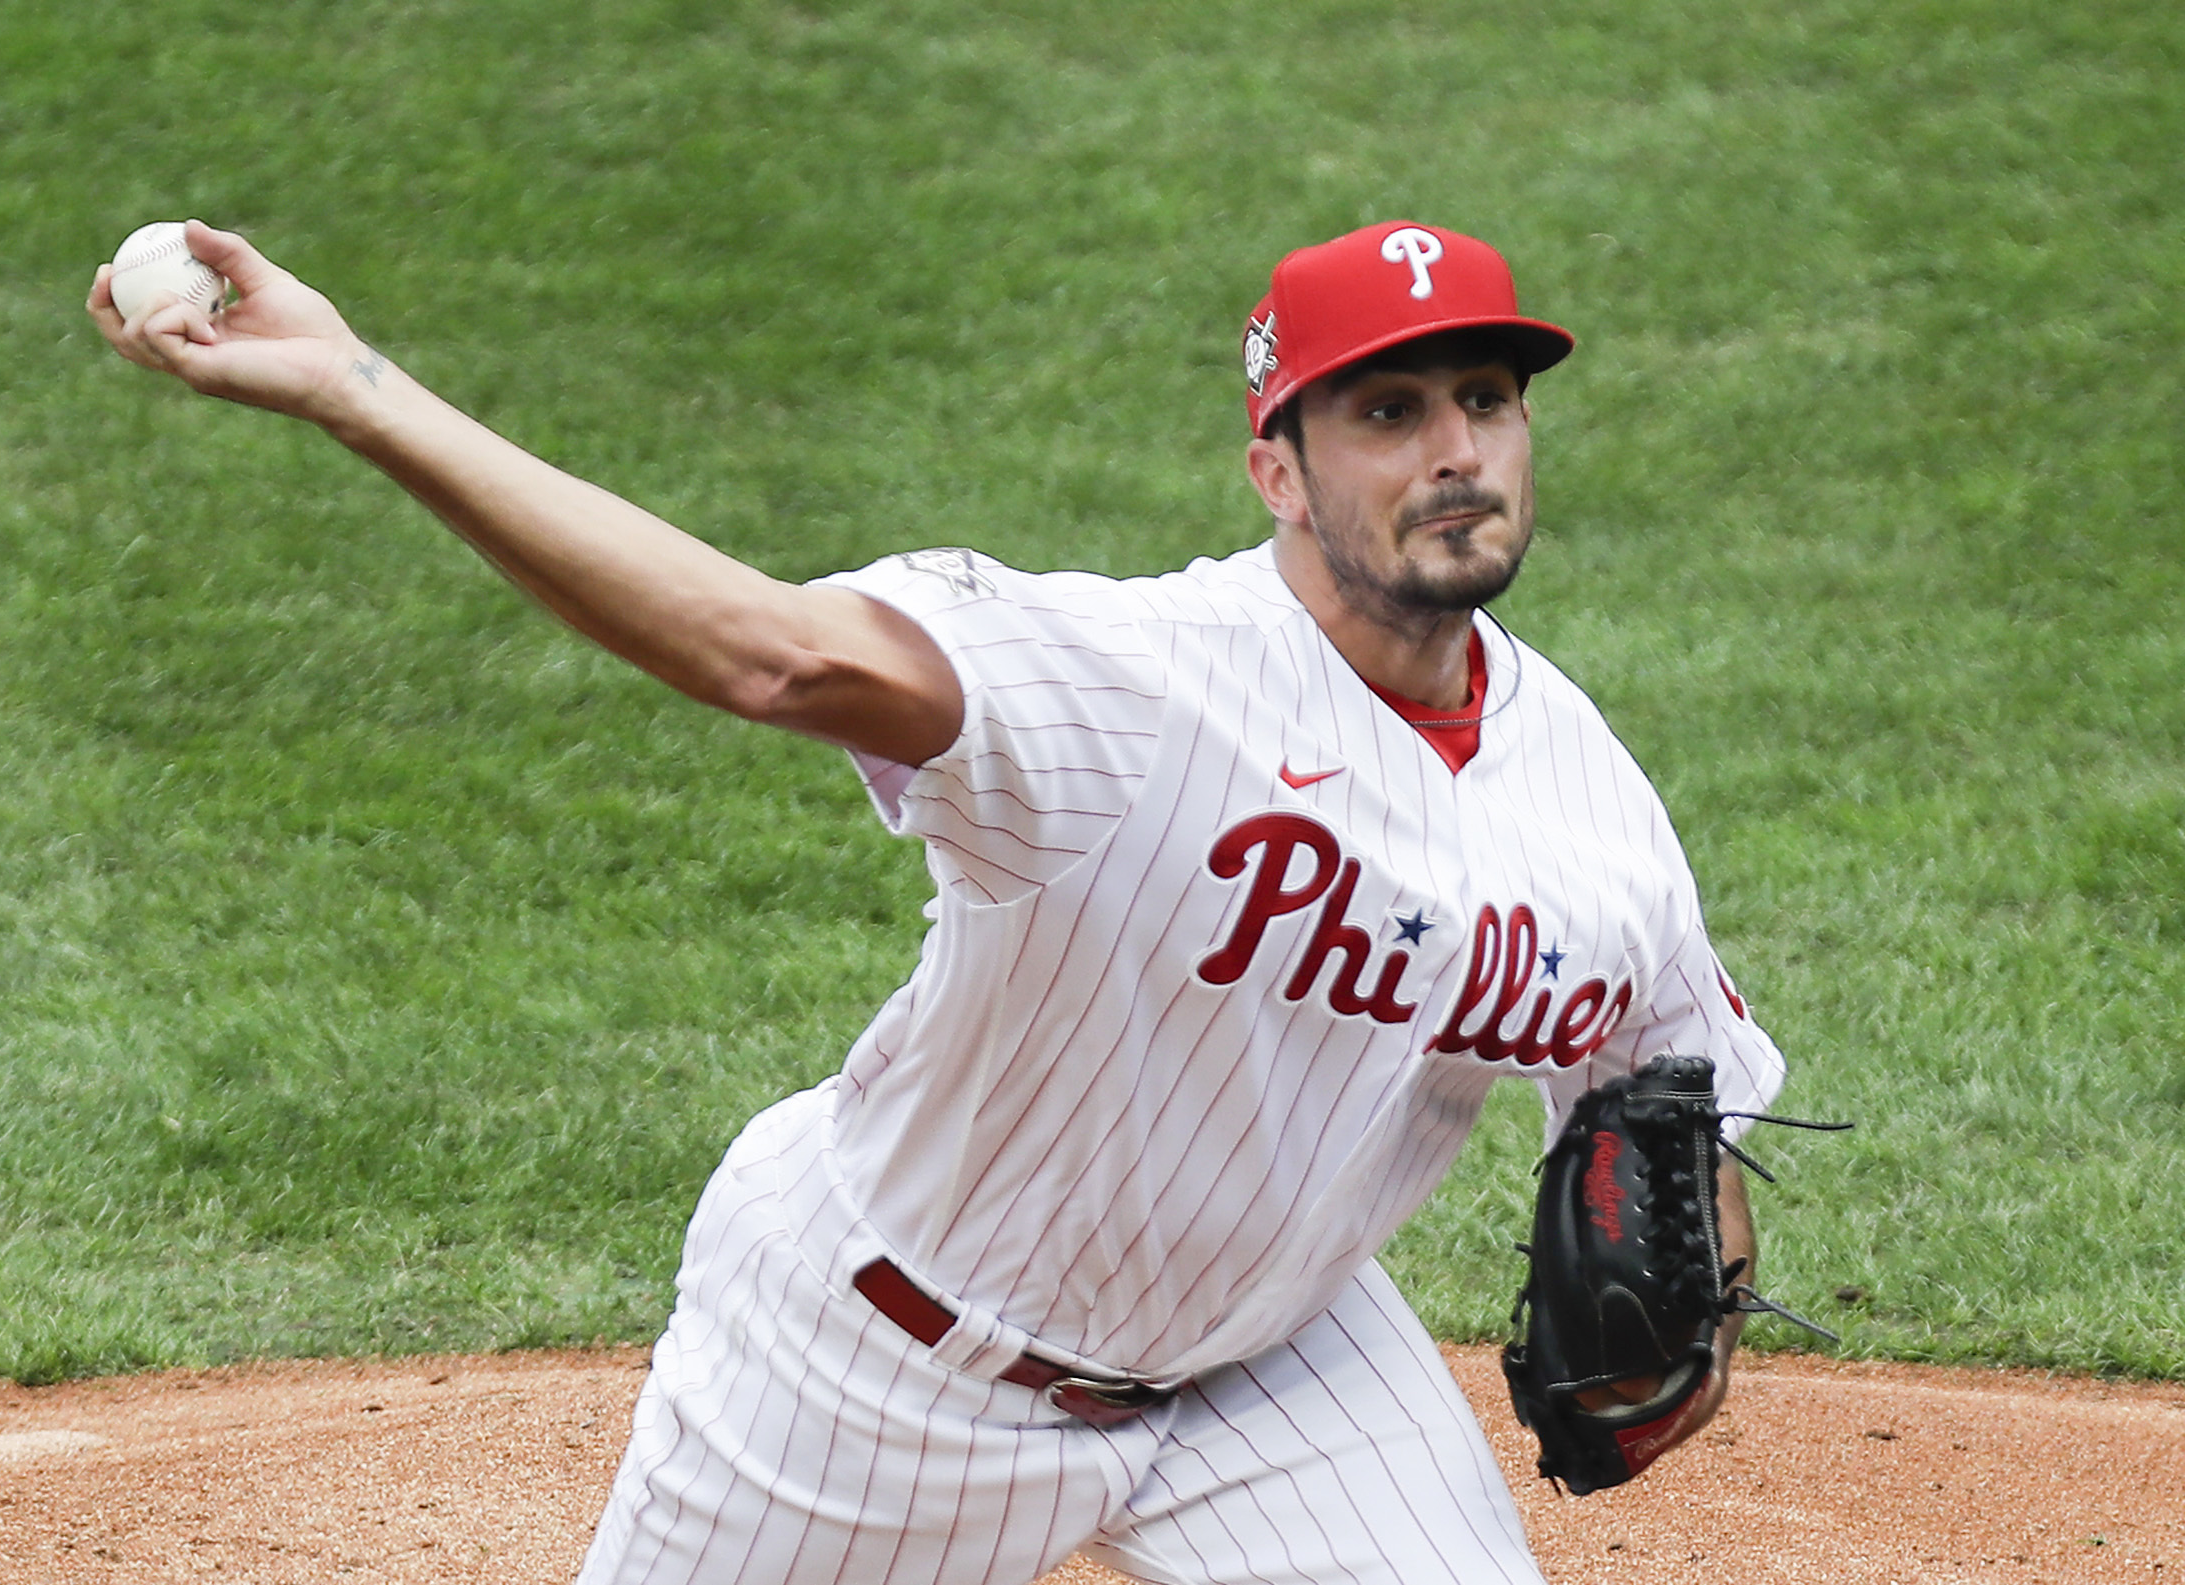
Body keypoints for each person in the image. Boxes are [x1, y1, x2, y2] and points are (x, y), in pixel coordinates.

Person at [91, 217, 1785, 1584]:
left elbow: (1674, 1101)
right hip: (884, 1362)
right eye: (1389, 412)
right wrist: (361, 391)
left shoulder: (1589, 800)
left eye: (1486, 398)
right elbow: (769, 653)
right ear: (1278, 466)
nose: (1455, 451)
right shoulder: (1132, 688)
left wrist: (1691, 1282)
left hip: (1276, 1366)